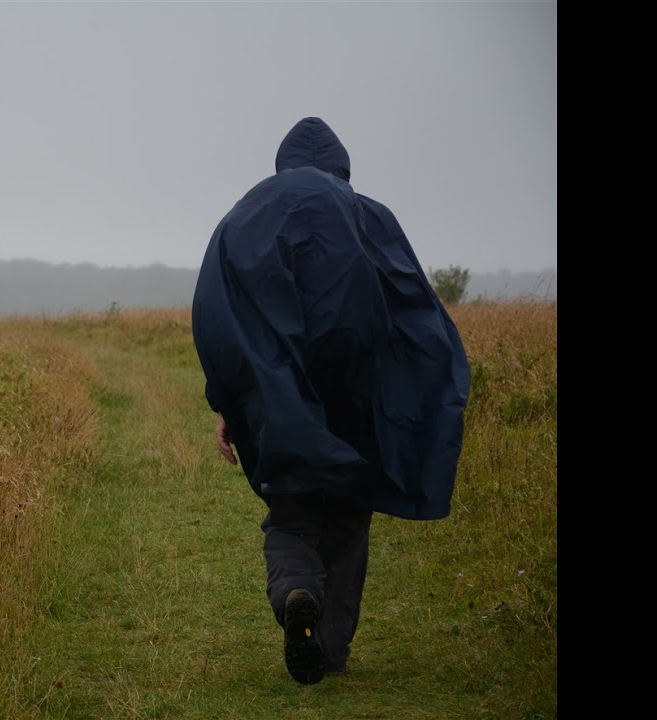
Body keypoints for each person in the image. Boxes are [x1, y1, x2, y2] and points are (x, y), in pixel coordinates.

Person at [191, 117, 470, 685]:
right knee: (348, 509)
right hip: (357, 387)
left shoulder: (245, 216)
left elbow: (219, 317)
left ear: (282, 162)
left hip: (280, 389)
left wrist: (226, 401)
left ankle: (297, 589)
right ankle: (330, 648)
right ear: (342, 166)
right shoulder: (370, 215)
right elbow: (414, 310)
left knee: (292, 507)